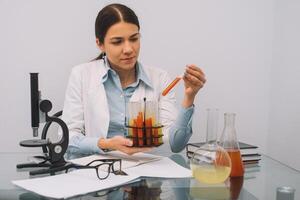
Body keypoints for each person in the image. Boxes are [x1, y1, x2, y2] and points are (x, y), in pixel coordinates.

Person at [62, 3, 206, 156]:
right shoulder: (81, 75)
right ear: (100, 44)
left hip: (145, 173)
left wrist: (189, 97)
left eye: (134, 39)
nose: (129, 49)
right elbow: (68, 140)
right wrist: (107, 144)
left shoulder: (159, 78)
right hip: (98, 171)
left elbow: (176, 144)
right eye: (117, 42)